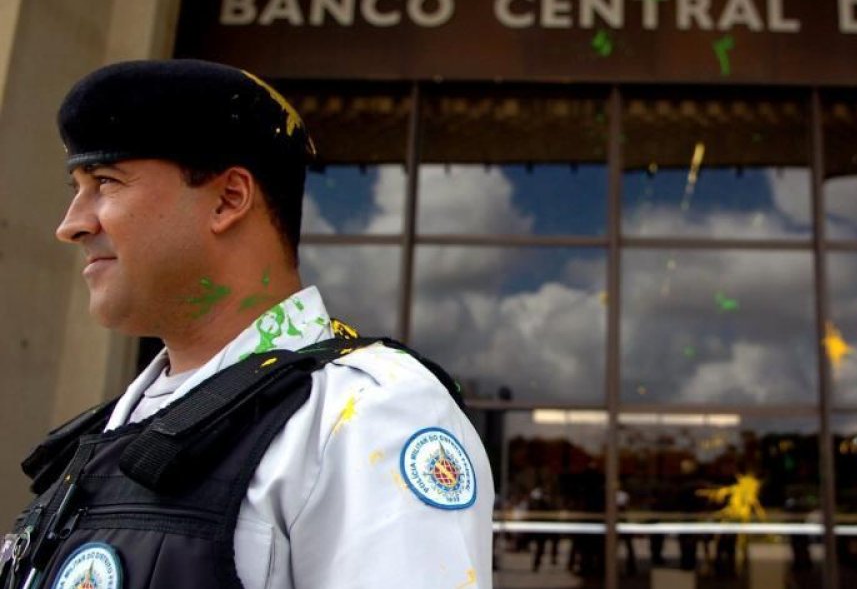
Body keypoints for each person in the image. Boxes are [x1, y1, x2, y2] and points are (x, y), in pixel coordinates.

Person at [0, 59, 494, 589]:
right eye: (76, 187)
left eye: (105, 182)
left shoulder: (363, 417)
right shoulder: (110, 431)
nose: (71, 224)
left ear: (229, 199)